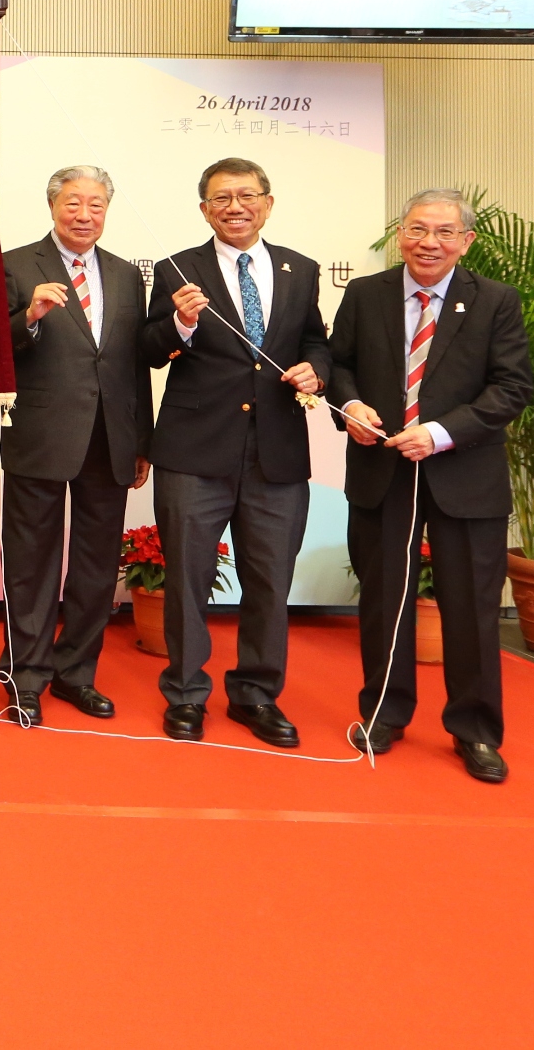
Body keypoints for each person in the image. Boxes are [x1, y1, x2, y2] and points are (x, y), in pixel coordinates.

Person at [330, 189, 534, 783]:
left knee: (470, 610)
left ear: (466, 241)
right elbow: (339, 363)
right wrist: (352, 404)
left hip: (464, 477)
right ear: (401, 234)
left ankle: (474, 730)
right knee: (383, 600)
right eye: (419, 230)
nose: (429, 243)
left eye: (445, 233)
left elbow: (511, 387)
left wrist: (442, 433)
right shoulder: (366, 294)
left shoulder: (495, 300)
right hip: (381, 470)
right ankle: (385, 715)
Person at [140, 157, 330, 746]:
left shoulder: (302, 269)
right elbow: (146, 348)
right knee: (189, 579)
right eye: (221, 198)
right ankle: (187, 693)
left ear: (268, 203)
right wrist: (181, 322)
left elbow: (315, 342)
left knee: (270, 579)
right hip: (194, 452)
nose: (235, 207)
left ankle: (255, 694)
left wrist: (315, 373)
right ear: (204, 209)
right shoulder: (178, 269)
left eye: (247, 195)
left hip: (276, 456)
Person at [0, 166, 154, 726]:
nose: (84, 214)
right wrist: (30, 317)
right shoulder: (15, 264)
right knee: (31, 562)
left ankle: (76, 673)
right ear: (52, 206)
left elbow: (135, 363)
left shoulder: (126, 274)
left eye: (95, 205)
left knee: (93, 565)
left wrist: (142, 440)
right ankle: (27, 674)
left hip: (109, 437)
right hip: (39, 434)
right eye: (73, 203)